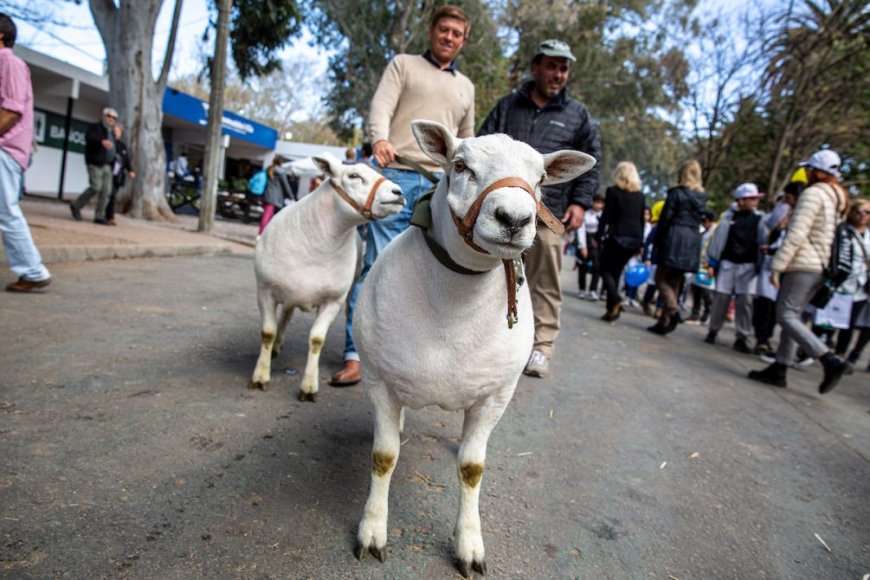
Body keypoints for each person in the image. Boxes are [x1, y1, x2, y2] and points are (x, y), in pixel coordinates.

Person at [330, 5, 475, 387]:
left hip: (439, 188)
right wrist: (380, 137)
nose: (449, 37)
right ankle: (355, 355)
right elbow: (382, 106)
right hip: (396, 176)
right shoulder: (403, 65)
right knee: (377, 263)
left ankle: (412, 355)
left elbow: (468, 139)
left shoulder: (467, 87)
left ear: (464, 41)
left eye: (456, 34)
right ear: (432, 31)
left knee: (433, 270)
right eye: (443, 30)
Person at [478, 38, 601, 378]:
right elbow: (482, 145)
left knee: (545, 280)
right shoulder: (508, 106)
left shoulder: (578, 115)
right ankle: (494, 343)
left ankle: (542, 346)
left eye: (564, 68)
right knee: (490, 275)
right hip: (500, 211)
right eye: (552, 66)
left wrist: (579, 203)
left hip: (549, 214)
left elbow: (593, 163)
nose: (558, 74)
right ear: (536, 68)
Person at [748, 149, 851, 393]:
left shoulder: (814, 194)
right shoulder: (837, 197)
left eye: (808, 169)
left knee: (785, 315)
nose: (804, 173)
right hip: (821, 266)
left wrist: (777, 265)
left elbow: (796, 234)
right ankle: (780, 368)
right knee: (794, 314)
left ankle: (828, 358)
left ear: (816, 172)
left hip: (804, 263)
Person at [0, 12, 51, 292]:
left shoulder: (9, 62)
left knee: (6, 212)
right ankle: (32, 270)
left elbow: (11, 109)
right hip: (7, 149)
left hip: (5, 149)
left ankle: (33, 271)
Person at [704, 183, 767, 352]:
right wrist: (712, 262)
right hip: (728, 264)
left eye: (756, 199)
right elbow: (718, 242)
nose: (755, 202)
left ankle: (742, 336)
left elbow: (763, 242)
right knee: (721, 299)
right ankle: (713, 330)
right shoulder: (728, 218)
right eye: (751, 198)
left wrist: (761, 265)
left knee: (745, 301)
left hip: (748, 266)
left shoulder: (760, 220)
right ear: (741, 200)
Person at [647, 160, 707, 335]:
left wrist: (658, 240)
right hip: (692, 239)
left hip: (675, 236)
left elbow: (665, 218)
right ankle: (663, 322)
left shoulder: (677, 193)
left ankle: (673, 310)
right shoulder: (701, 197)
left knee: (661, 279)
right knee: (675, 282)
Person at [598, 161, 645, 321]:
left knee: (604, 268)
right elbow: (641, 220)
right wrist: (641, 243)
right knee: (616, 273)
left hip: (617, 236)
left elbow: (606, 217)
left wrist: (598, 235)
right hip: (634, 238)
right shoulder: (640, 195)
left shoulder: (613, 191)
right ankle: (612, 311)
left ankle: (616, 299)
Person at [831, 197, 870, 370]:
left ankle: (840, 356)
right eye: (859, 211)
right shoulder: (843, 231)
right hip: (841, 281)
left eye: (867, 212)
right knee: (831, 320)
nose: (863, 216)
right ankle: (815, 350)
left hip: (861, 285)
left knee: (850, 323)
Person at [70, 106, 117, 225]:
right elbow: (89, 137)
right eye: (109, 116)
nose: (111, 119)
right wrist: (101, 142)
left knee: (107, 191)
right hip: (96, 162)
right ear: (104, 116)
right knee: (96, 187)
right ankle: (76, 205)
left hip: (107, 165)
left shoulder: (112, 132)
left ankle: (99, 216)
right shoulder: (95, 127)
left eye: (113, 117)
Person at [686, 210, 717, 324]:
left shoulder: (715, 231)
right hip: (700, 264)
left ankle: (707, 314)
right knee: (696, 289)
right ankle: (695, 313)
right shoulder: (706, 231)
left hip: (708, 265)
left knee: (706, 291)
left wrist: (712, 265)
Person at [105, 122, 135, 226]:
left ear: (121, 133)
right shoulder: (109, 143)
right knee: (111, 194)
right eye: (114, 130)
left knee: (112, 195)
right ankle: (110, 217)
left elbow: (126, 160)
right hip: (108, 172)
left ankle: (106, 214)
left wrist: (130, 170)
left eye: (117, 131)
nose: (115, 132)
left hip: (118, 175)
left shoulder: (122, 146)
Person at [258, 155, 296, 235]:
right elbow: (286, 186)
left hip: (265, 195)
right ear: (281, 163)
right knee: (267, 215)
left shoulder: (269, 169)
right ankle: (261, 234)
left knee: (269, 215)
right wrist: (291, 197)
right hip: (273, 197)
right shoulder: (280, 172)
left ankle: (266, 234)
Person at [579, 194, 604, 301]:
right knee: (583, 266)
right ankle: (582, 289)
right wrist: (582, 246)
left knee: (597, 267)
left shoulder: (604, 216)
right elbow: (581, 230)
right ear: (593, 202)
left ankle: (593, 290)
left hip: (599, 244)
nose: (598, 205)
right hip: (587, 241)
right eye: (596, 202)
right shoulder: (586, 214)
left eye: (601, 203)